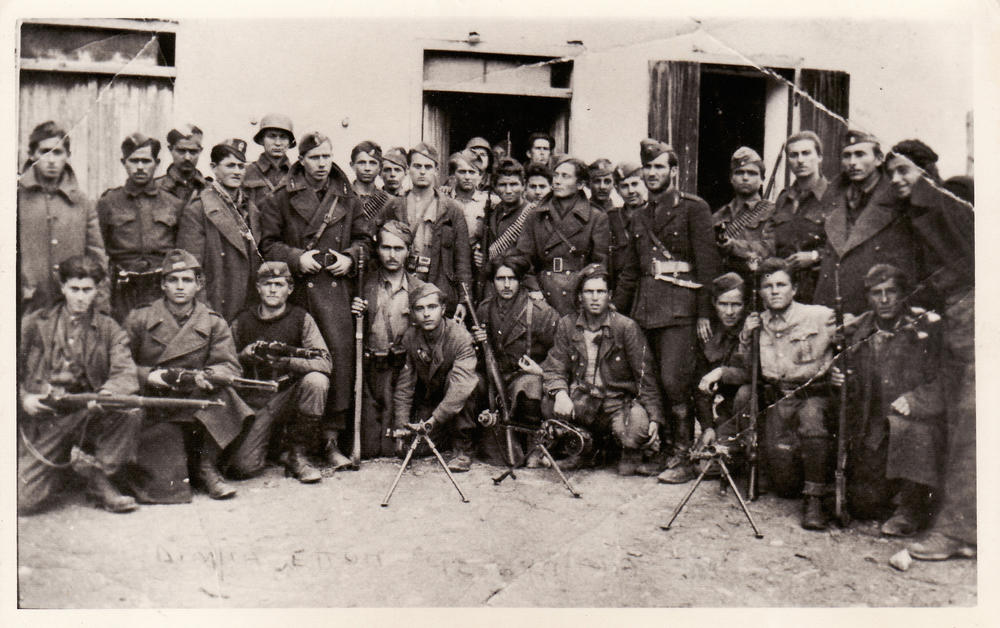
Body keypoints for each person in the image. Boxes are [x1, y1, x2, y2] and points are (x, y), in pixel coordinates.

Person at [883, 139, 976, 561]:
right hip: (956, 316)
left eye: (904, 170)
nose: (897, 180)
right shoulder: (920, 210)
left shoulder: (944, 200)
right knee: (958, 419)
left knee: (972, 425)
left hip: (974, 313)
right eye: (892, 174)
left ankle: (960, 532)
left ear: (927, 169)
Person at [259, 131, 371, 470]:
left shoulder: (348, 199)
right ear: (302, 161)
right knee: (304, 367)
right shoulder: (279, 199)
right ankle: (298, 447)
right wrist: (296, 258)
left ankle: (331, 442)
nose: (322, 164)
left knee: (338, 365)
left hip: (337, 296)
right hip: (300, 298)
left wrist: (351, 258)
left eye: (326, 157)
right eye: (314, 158)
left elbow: (365, 239)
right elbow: (267, 245)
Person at [700, 258, 838, 530]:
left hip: (812, 396)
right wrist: (738, 351)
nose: (774, 291)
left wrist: (840, 371)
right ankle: (760, 467)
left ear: (794, 288)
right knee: (785, 487)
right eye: (767, 286)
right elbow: (749, 370)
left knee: (812, 418)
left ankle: (815, 498)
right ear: (760, 293)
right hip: (777, 399)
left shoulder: (821, 317)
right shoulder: (755, 324)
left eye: (781, 285)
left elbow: (855, 339)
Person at [615, 139, 721, 482]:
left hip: (681, 308)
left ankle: (683, 455)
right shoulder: (640, 216)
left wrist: (705, 313)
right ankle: (662, 451)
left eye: (659, 167)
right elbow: (631, 271)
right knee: (652, 382)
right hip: (645, 309)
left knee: (676, 380)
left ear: (674, 172)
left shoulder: (694, 208)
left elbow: (708, 266)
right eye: (648, 167)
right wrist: (616, 315)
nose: (652, 173)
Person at [124, 249, 253, 503]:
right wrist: (151, 376)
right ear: (163, 284)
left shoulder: (213, 322)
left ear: (198, 284)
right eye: (173, 280)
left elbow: (229, 365)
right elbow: (119, 364)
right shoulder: (140, 318)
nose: (180, 287)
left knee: (226, 395)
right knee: (168, 487)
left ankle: (207, 466)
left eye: (187, 280)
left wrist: (209, 376)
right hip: (158, 404)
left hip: (196, 402)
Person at [18, 255, 141, 514]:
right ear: (62, 287)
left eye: (88, 290)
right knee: (21, 500)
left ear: (97, 291)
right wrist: (23, 398)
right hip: (44, 418)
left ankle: (99, 476)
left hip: (87, 413)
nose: (81, 297)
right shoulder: (33, 324)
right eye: (74, 289)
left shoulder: (109, 328)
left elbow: (125, 372)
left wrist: (107, 395)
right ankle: (63, 469)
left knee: (129, 410)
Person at [832, 264, 943, 536]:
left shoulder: (927, 329)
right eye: (876, 293)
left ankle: (910, 509)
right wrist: (838, 381)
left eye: (891, 292)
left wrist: (917, 400)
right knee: (863, 504)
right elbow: (849, 387)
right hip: (876, 431)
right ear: (868, 297)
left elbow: (946, 379)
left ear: (904, 294)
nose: (884, 300)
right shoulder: (856, 332)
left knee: (916, 431)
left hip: (915, 427)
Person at [541, 264, 663, 474]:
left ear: (610, 295)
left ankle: (624, 451)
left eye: (601, 292)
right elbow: (555, 367)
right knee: (549, 403)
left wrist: (654, 418)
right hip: (583, 399)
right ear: (580, 296)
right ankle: (582, 451)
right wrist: (560, 393)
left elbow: (645, 376)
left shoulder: (626, 327)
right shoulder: (567, 325)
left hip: (616, 402)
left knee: (634, 434)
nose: (595, 297)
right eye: (589, 292)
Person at [228, 262, 332, 483]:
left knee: (317, 381)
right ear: (258, 288)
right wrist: (243, 356)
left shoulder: (300, 318)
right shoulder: (243, 321)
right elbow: (223, 362)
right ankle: (276, 448)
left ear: (290, 289)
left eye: (279, 284)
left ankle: (298, 454)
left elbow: (325, 362)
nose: (273, 290)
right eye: (267, 284)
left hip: (288, 393)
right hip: (255, 399)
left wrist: (287, 361)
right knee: (243, 467)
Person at [813, 130, 918, 315]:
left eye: (860, 154)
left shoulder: (898, 201)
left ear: (878, 159)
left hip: (875, 309)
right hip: (831, 309)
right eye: (847, 156)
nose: (852, 162)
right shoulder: (833, 199)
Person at [472, 256, 560, 467]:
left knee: (529, 385)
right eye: (500, 279)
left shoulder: (540, 313)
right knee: (472, 382)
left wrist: (542, 370)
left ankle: (533, 443)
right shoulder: (484, 310)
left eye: (511, 278)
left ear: (520, 280)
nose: (506, 284)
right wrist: (477, 340)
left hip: (525, 376)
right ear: (493, 281)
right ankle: (467, 446)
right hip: (496, 378)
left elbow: (561, 352)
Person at [351, 221, 427, 459]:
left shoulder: (420, 288)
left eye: (399, 248)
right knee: (370, 449)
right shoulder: (362, 285)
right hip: (371, 369)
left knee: (397, 447)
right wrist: (353, 311)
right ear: (378, 249)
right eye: (386, 248)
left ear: (409, 251)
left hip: (404, 373)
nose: (392, 255)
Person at [18, 121, 108, 314]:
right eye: (45, 152)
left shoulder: (82, 202)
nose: (51, 160)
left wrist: (100, 308)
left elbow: (97, 259)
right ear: (32, 155)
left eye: (58, 153)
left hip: (71, 309)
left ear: (68, 156)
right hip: (26, 307)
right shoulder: (15, 199)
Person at [376, 143, 472, 318]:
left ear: (436, 170)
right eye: (417, 166)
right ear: (408, 169)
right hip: (401, 286)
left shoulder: (452, 209)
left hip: (439, 286)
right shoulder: (394, 206)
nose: (422, 171)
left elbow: (462, 259)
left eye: (428, 167)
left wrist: (464, 300)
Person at [97, 132, 186, 321]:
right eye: (133, 161)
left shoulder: (173, 204)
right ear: (123, 162)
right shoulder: (109, 202)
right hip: (122, 290)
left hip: (161, 289)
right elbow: (99, 250)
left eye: (146, 161)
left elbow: (181, 252)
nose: (139, 167)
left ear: (157, 163)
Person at [392, 283, 479, 472]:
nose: (426, 314)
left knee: (460, 385)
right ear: (413, 313)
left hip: (460, 399)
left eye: (432, 307)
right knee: (414, 449)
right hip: (433, 403)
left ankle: (463, 448)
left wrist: (434, 421)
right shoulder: (410, 338)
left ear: (443, 309)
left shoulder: (459, 337)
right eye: (419, 308)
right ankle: (444, 437)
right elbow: (405, 385)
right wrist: (401, 427)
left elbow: (460, 388)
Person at [510, 155, 610, 316]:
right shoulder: (535, 216)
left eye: (565, 176)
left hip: (578, 296)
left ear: (580, 184)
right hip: (541, 295)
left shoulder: (596, 217)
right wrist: (534, 288)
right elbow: (523, 259)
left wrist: (586, 293)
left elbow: (599, 265)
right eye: (555, 175)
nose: (557, 181)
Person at [177, 138, 262, 322]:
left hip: (249, 307)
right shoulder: (199, 209)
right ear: (214, 168)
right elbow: (191, 269)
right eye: (230, 166)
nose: (237, 171)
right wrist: (203, 314)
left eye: (241, 166)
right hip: (216, 305)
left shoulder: (251, 209)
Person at [690, 272, 750, 469]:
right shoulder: (710, 335)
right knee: (704, 465)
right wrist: (707, 426)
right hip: (729, 412)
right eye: (724, 304)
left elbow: (755, 374)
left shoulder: (753, 330)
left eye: (736, 305)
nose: (730, 311)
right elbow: (701, 388)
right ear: (714, 304)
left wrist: (722, 372)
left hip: (753, 406)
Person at [770, 131, 830, 304]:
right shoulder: (783, 199)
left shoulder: (834, 197)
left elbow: (847, 248)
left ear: (819, 157)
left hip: (819, 292)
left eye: (806, 153)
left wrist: (814, 256)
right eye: (794, 155)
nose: (800, 160)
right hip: (784, 294)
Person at [712, 146, 775, 276]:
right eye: (739, 172)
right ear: (731, 178)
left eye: (752, 173)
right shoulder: (718, 216)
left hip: (755, 280)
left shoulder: (772, 212)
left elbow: (769, 248)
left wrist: (733, 246)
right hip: (725, 283)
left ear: (762, 179)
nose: (745, 178)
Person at [445, 149, 498, 275]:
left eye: (472, 172)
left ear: (479, 176)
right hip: (447, 263)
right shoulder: (443, 199)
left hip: (475, 266)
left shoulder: (491, 201)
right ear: (453, 175)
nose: (467, 177)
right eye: (462, 172)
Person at [482, 158, 536, 268]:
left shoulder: (532, 213)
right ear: (495, 187)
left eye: (513, 184)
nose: (508, 190)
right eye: (502, 185)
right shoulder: (492, 212)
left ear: (523, 185)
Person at [608, 161, 645, 295]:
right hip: (620, 289)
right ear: (617, 190)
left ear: (644, 183)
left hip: (647, 288)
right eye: (624, 186)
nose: (631, 191)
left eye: (635, 184)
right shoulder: (610, 218)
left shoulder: (656, 215)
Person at [244, 113, 295, 208]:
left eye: (283, 137)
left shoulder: (298, 174)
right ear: (261, 140)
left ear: (289, 143)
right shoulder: (246, 172)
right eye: (272, 136)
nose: (278, 143)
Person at [156, 124, 207, 207]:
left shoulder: (210, 190)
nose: (187, 158)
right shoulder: (155, 188)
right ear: (170, 149)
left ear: (200, 151)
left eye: (193, 152)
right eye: (181, 151)